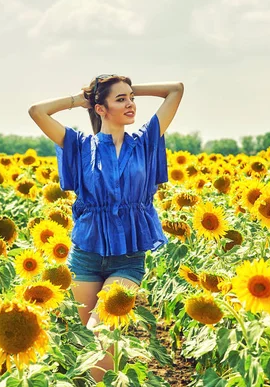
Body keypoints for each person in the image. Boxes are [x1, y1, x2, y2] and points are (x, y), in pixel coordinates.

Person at [28, 74, 184, 381]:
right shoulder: (79, 145)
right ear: (100, 109)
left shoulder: (145, 141)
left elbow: (175, 90)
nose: (130, 104)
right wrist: (83, 98)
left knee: (99, 336)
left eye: (131, 99)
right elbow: (37, 111)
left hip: (127, 259)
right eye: (121, 99)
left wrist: (126, 87)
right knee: (88, 347)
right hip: (85, 256)